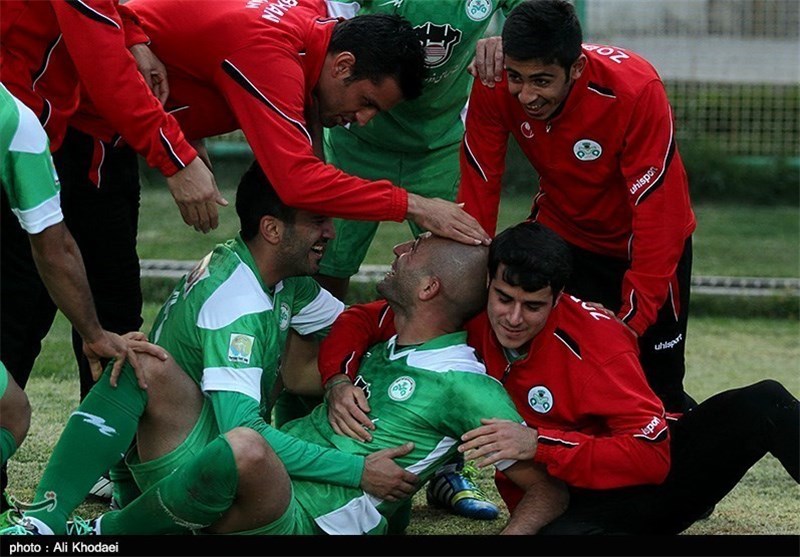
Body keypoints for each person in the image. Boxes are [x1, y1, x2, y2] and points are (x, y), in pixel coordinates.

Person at [49, 231, 566, 536]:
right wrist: (337, 379)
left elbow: (547, 490)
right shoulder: (385, 347)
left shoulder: (465, 384)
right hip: (263, 489)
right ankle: (50, 515)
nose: (398, 250)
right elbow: (309, 361)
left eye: (412, 250)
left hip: (305, 519)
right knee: (143, 363)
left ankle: (103, 535)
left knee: (245, 444)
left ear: (429, 287)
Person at [1, 162, 420, 536]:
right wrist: (358, 470)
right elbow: (242, 430)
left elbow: (353, 323)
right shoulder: (237, 304)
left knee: (153, 367)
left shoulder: (278, 279)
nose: (330, 232)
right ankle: (72, 522)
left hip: (187, 443)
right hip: (197, 468)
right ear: (273, 230)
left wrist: (339, 379)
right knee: (226, 428)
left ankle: (89, 506)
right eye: (317, 221)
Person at [320, 220, 800, 535]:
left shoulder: (599, 343)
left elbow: (650, 457)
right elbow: (362, 319)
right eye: (504, 298)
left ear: (558, 298)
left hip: (644, 489)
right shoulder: (469, 315)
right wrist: (338, 381)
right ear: (489, 283)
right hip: (561, 501)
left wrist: (539, 444)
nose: (513, 318)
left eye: (533, 306)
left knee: (764, 401)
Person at [288, 0, 525, 523]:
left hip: (441, 146)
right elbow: (329, 37)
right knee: (319, 284)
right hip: (355, 142)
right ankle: (319, 428)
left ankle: (446, 466)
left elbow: (536, 13)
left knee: (463, 288)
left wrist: (510, 39)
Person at [456, 0, 697, 414]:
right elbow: (480, 184)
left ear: (577, 68)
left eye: (542, 81)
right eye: (517, 77)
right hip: (563, 235)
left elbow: (658, 213)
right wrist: (469, 275)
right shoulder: (494, 81)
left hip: (641, 247)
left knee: (657, 389)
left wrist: (632, 322)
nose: (527, 95)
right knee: (550, 368)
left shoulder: (635, 89)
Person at [93, 0, 489, 248]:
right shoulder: (271, 54)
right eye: (367, 102)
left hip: (108, 131)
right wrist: (417, 206)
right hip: (84, 128)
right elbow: (297, 182)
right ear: (343, 65)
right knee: (106, 301)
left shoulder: (309, 21)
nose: (363, 120)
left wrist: (186, 138)